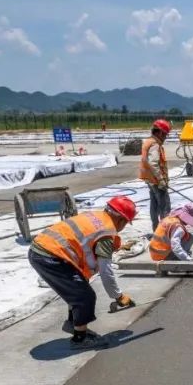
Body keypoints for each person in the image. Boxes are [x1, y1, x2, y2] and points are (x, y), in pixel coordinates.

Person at [29, 196, 137, 349]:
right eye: (126, 223)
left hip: (40, 249)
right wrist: (118, 296)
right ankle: (80, 338)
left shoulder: (95, 217)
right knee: (85, 296)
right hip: (51, 256)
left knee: (78, 288)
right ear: (121, 219)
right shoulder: (106, 234)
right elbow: (106, 271)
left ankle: (73, 323)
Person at [140, 119, 171, 230]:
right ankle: (164, 231)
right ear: (159, 132)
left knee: (154, 205)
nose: (165, 137)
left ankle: (156, 229)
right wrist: (161, 179)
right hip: (157, 181)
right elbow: (153, 163)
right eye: (165, 134)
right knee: (164, 206)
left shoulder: (147, 141)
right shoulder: (154, 144)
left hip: (149, 180)